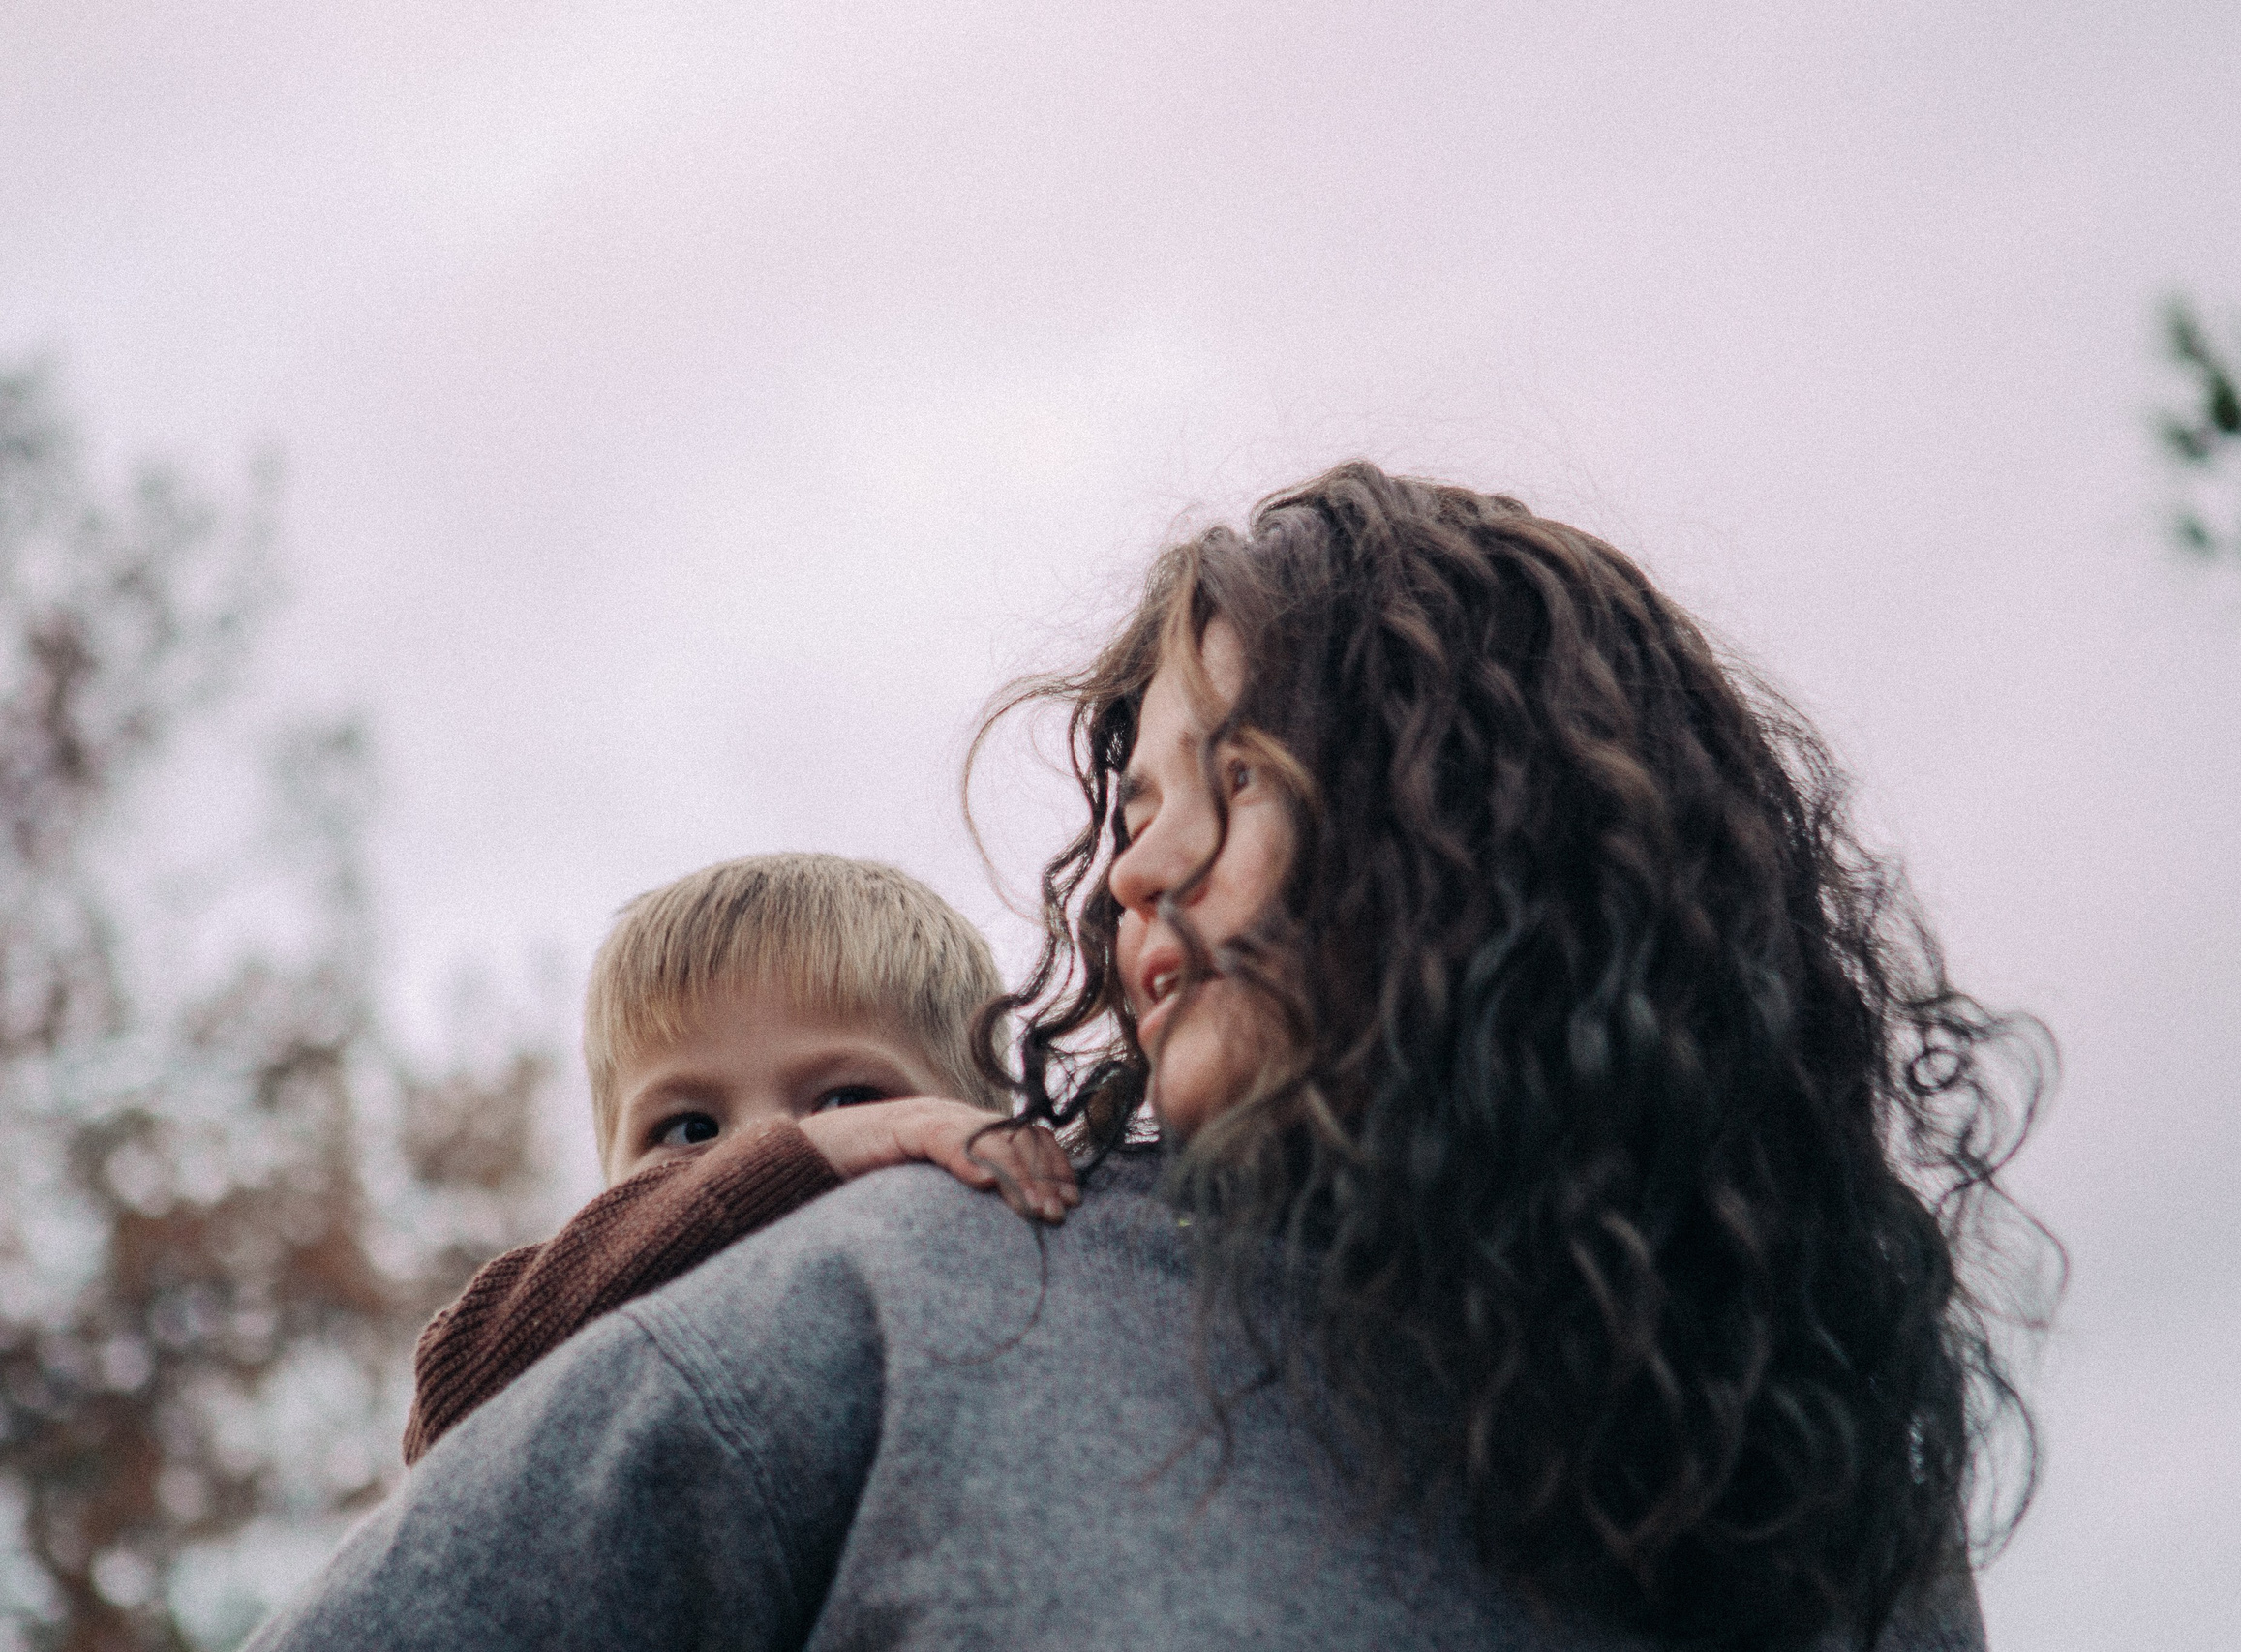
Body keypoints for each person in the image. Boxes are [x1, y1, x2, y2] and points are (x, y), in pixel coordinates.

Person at [249, 465, 2046, 1651]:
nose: (1131, 865)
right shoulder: (928, 1288)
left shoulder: (1824, 1436)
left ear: (1488, 818)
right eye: (1136, 801)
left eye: (1233, 779)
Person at [400, 851, 1079, 1463]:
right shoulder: (607, 1352)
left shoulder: (1025, 1294)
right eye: (692, 1128)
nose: (771, 1153)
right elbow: (452, 1404)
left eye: (847, 1102)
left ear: (981, 1130)